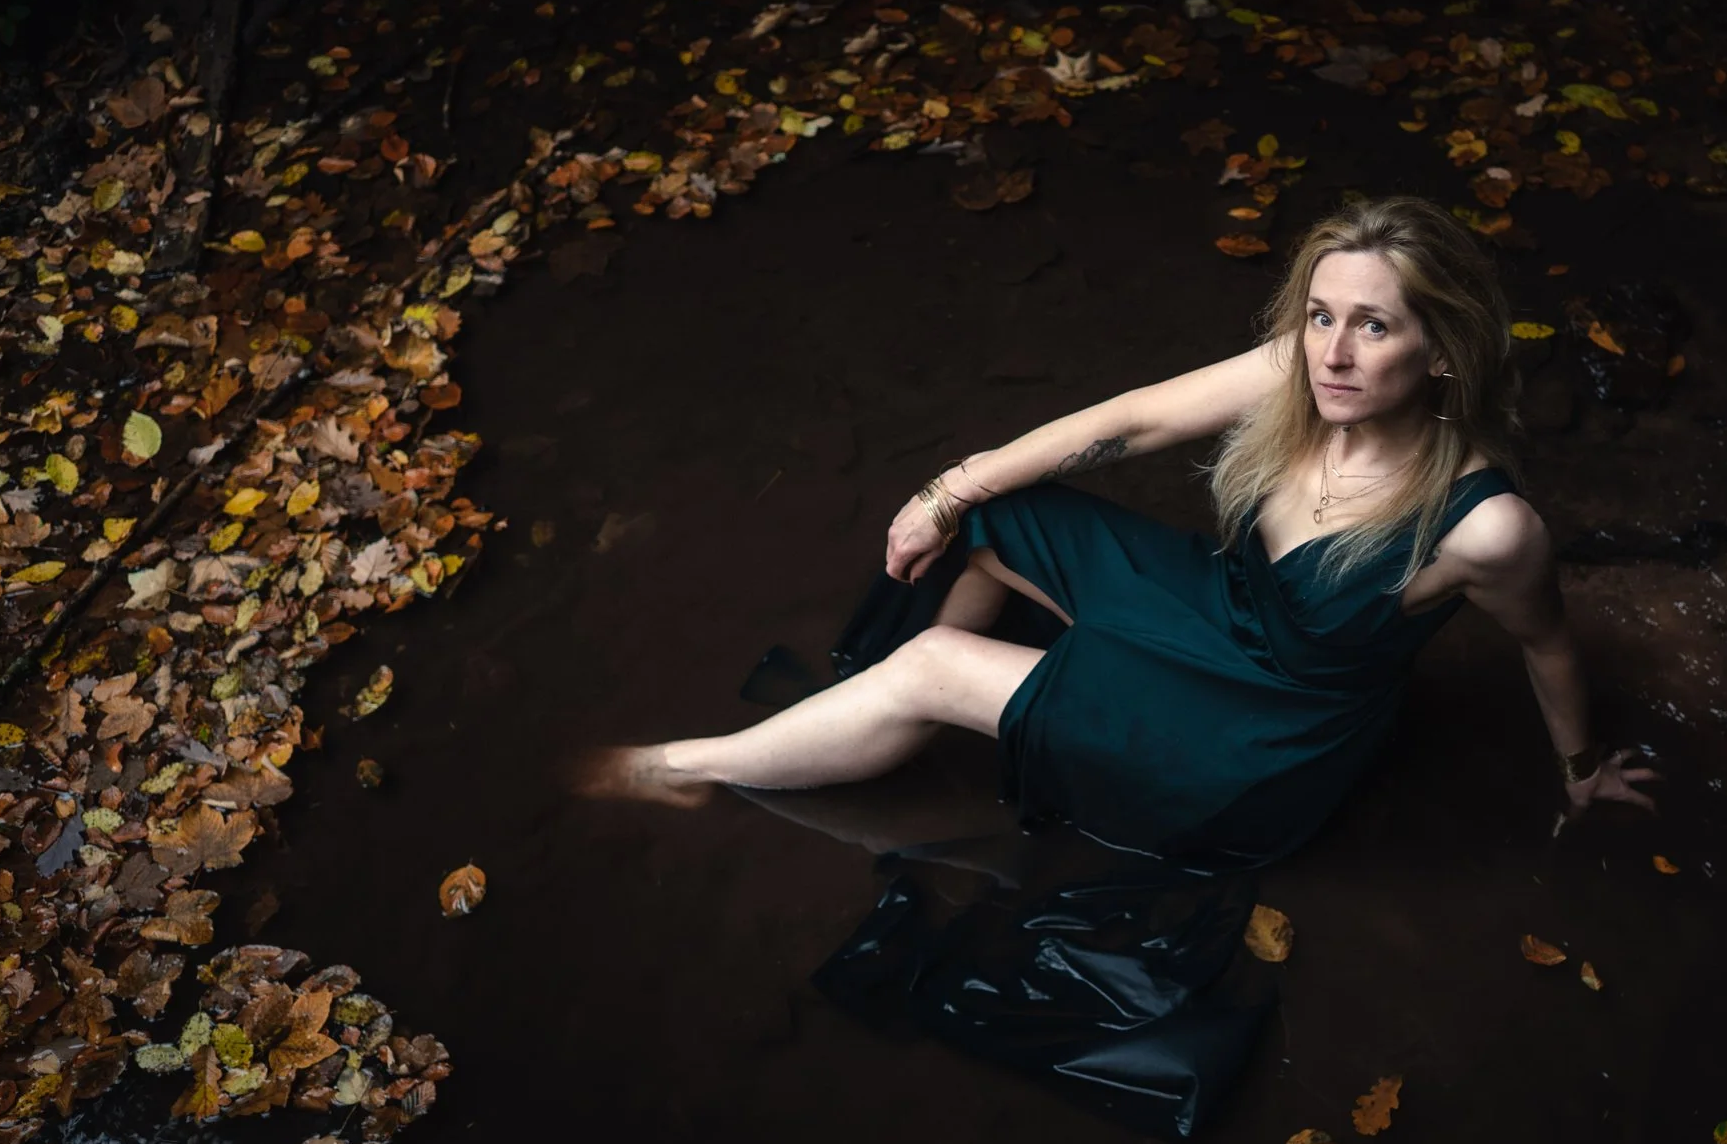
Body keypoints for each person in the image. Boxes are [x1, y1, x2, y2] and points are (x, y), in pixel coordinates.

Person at [583, 194, 1661, 853]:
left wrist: (1580, 772)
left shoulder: (1486, 528)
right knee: (1007, 509)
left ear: (1442, 349)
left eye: (1371, 326)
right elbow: (1128, 420)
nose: (1330, 352)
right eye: (1320, 315)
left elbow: (1547, 643)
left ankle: (686, 769)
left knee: (937, 664)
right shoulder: (1304, 371)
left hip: (1260, 737)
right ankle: (961, 705)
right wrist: (949, 488)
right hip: (1222, 618)